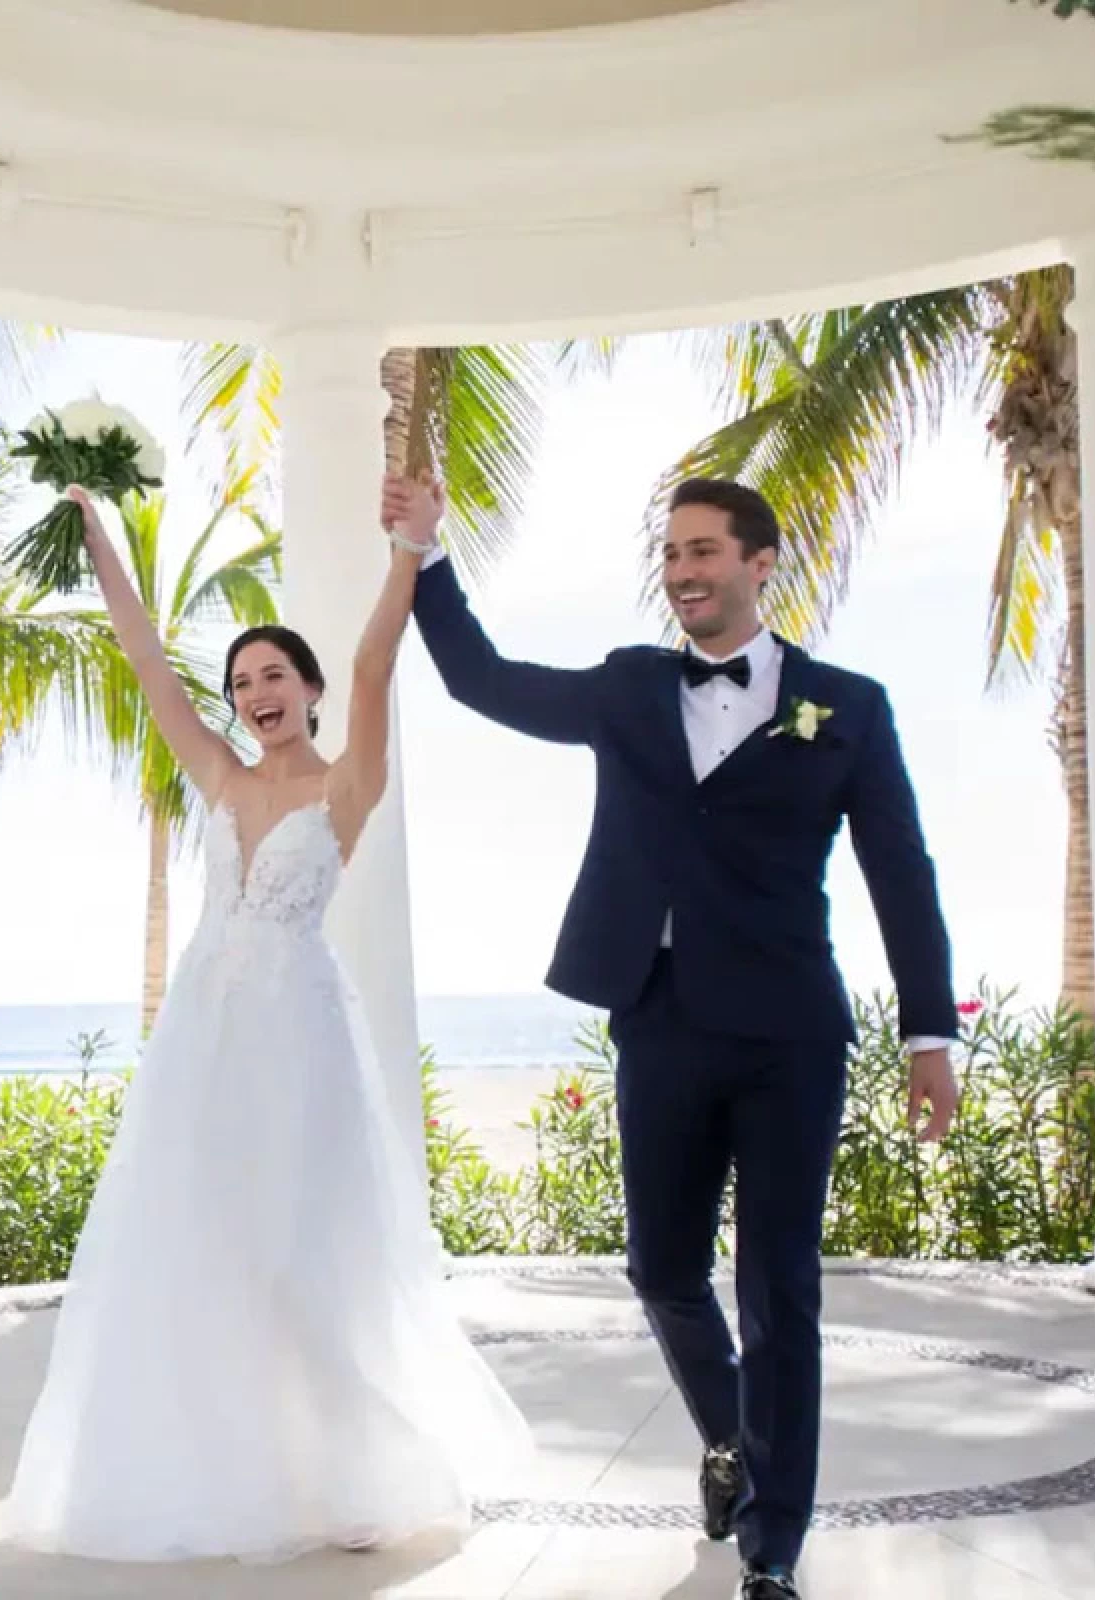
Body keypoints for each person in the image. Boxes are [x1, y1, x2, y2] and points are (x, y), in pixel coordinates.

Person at [401, 473, 961, 1600]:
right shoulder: (627, 688)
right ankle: (729, 1437)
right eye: (668, 556)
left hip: (788, 1032)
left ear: (759, 564)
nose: (682, 573)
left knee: (779, 1285)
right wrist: (425, 559)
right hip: (656, 1018)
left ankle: (773, 1548)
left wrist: (927, 1033)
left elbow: (900, 872)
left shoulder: (846, 706)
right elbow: (483, 682)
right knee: (660, 1266)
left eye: (702, 550)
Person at [3, 481, 531, 1565]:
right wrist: (95, 531)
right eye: (241, 682)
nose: (254, 695)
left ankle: (357, 1467)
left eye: (274, 675)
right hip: (203, 1041)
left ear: (309, 688)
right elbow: (147, 659)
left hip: (297, 1039)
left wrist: (407, 549)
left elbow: (381, 662)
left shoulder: (344, 786)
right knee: (207, 1249)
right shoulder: (217, 776)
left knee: (300, 1256)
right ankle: (226, 1469)